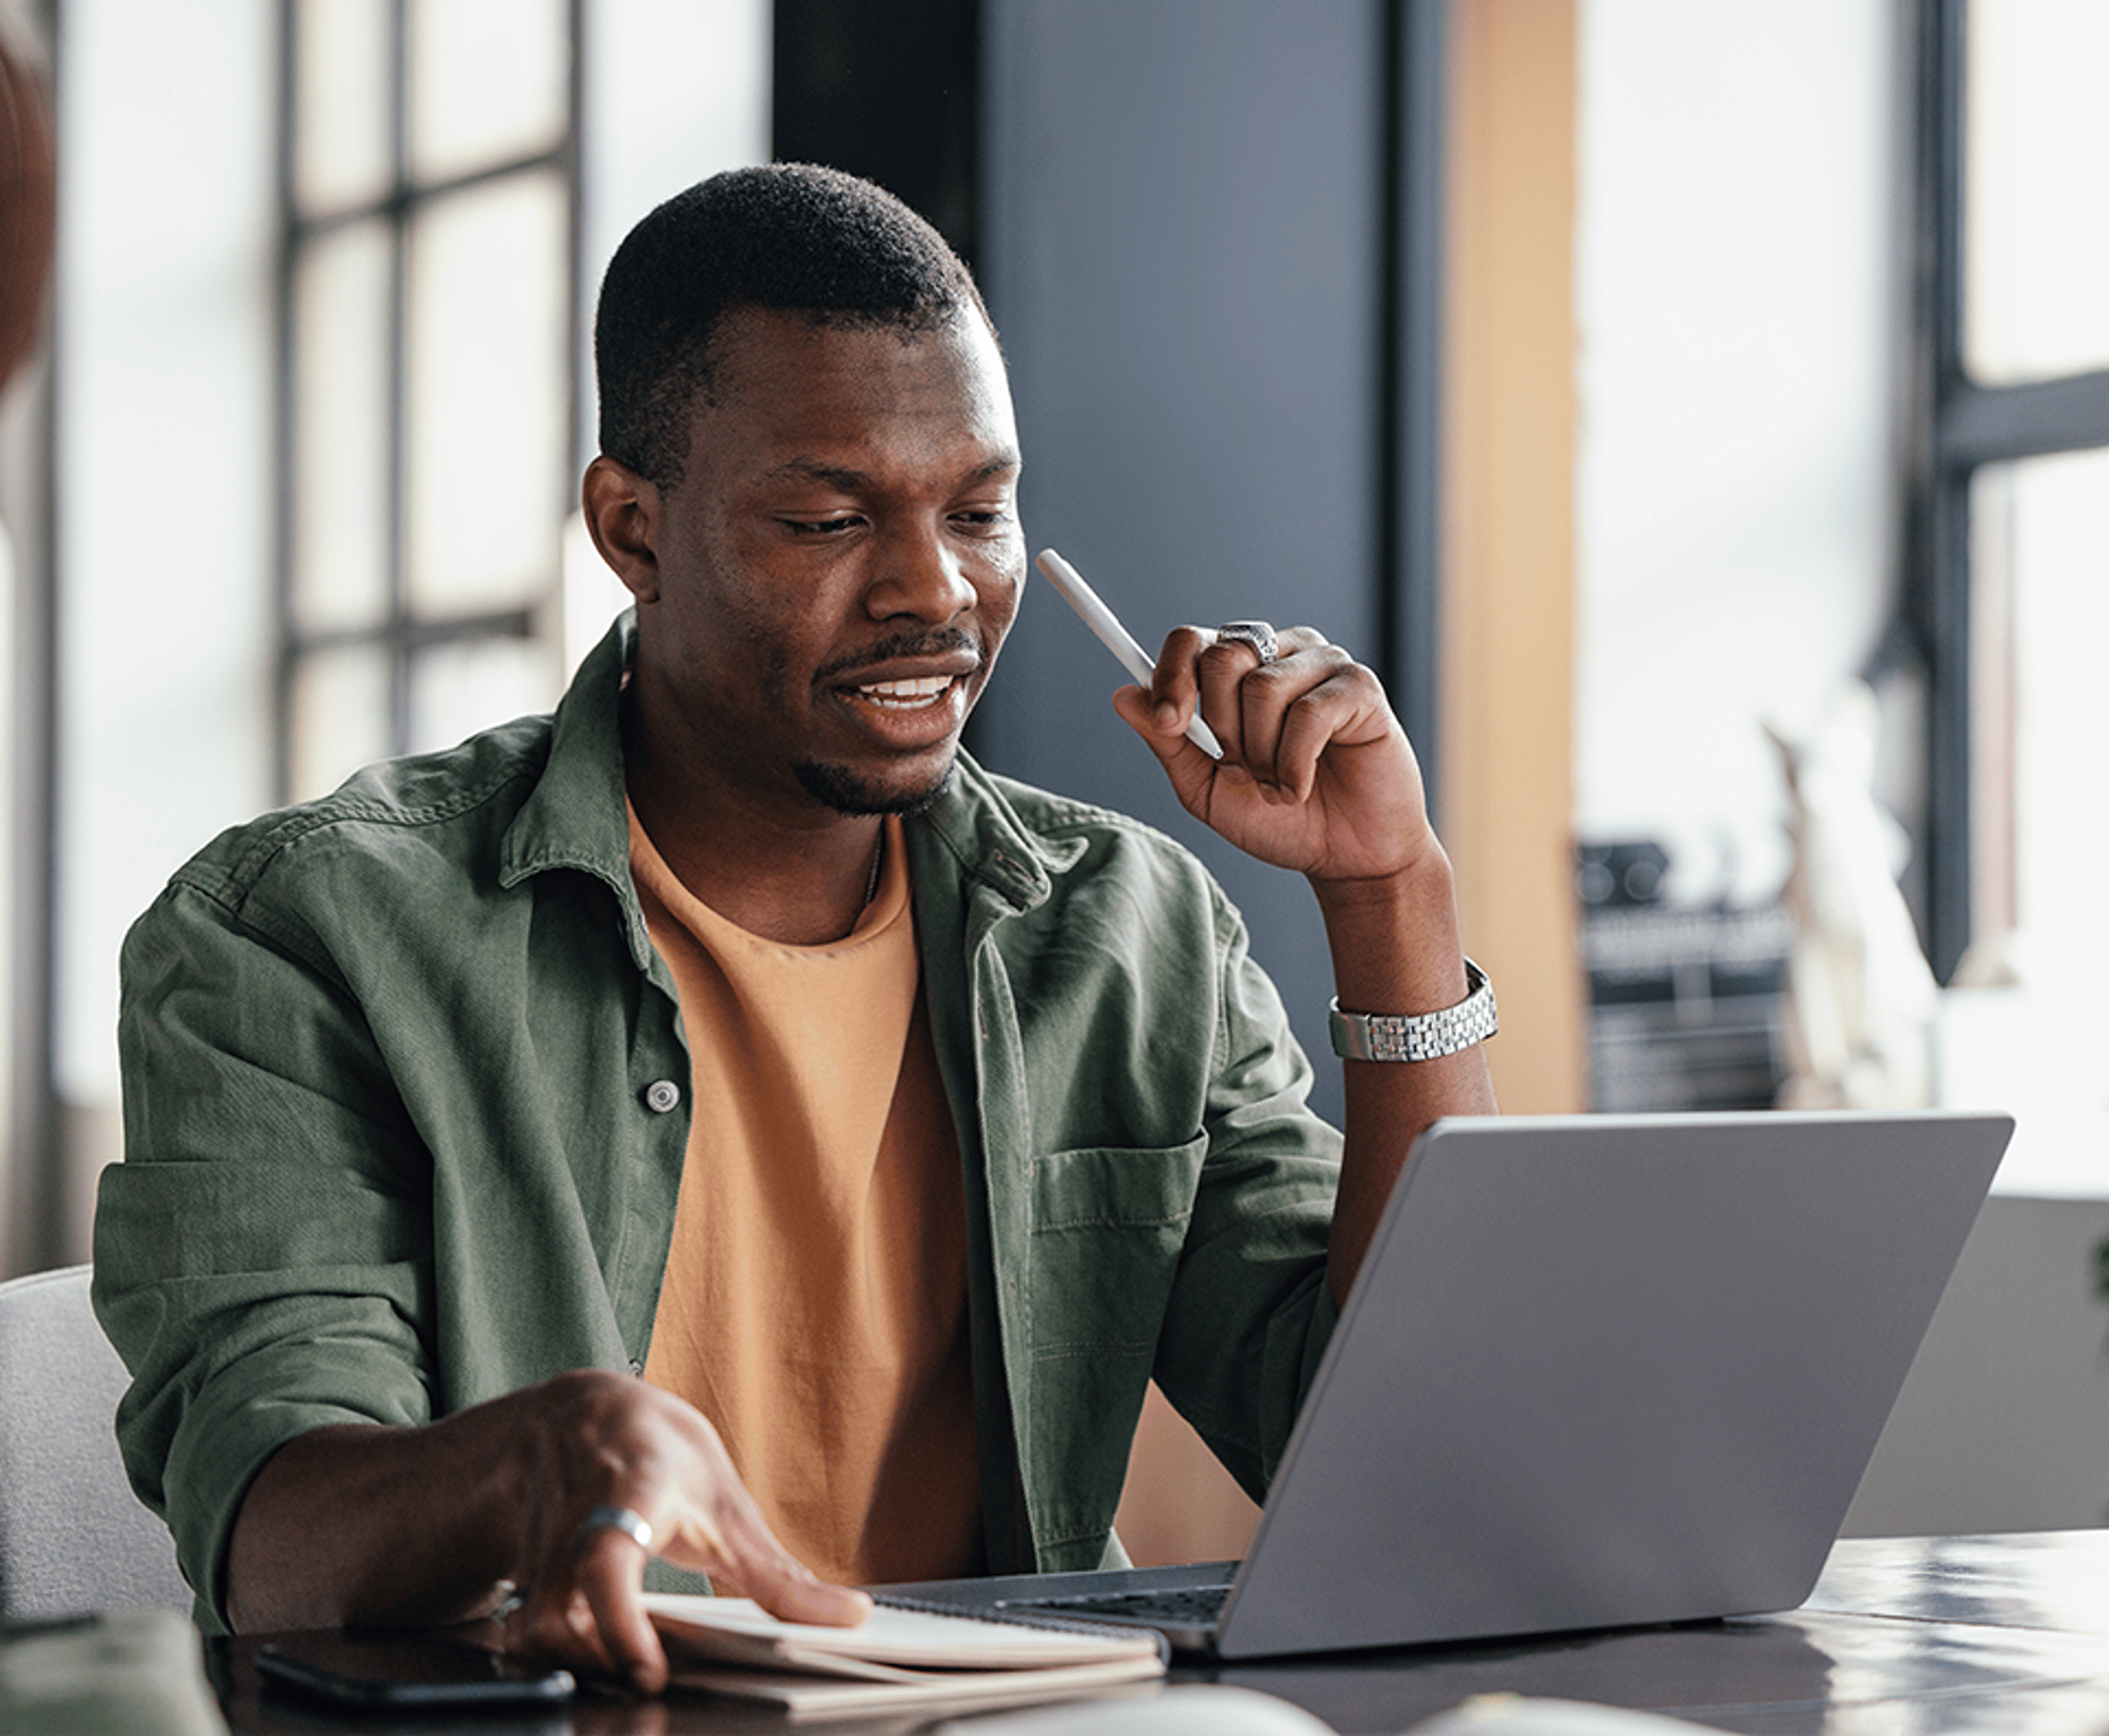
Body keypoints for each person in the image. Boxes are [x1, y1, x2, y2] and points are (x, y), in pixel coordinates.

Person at [92, 164, 1496, 1693]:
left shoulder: (1126, 931)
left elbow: (1410, 1460)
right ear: (632, 530)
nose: (935, 590)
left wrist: (1389, 898)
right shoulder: (301, 934)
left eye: (981, 509)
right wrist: (525, 1466)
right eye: (831, 518)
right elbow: (270, 1536)